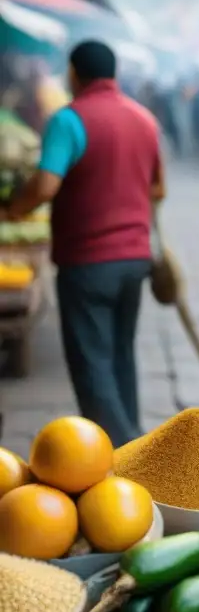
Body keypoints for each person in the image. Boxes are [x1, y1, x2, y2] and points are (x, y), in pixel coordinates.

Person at [0, 40, 164, 445]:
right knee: (121, 354)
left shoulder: (68, 120)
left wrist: (15, 209)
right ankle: (137, 445)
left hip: (87, 261)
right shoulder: (144, 119)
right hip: (135, 258)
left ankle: (120, 455)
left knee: (92, 360)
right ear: (115, 74)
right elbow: (158, 188)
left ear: (74, 73)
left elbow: (45, 184)